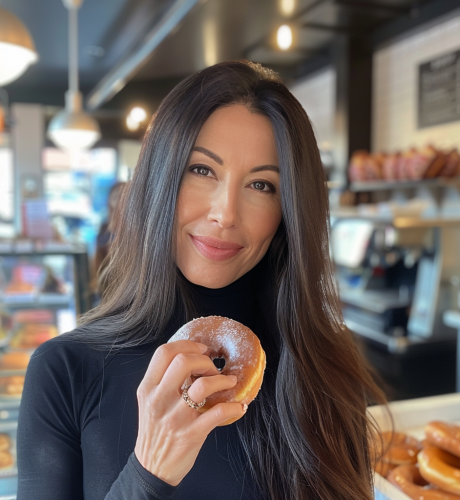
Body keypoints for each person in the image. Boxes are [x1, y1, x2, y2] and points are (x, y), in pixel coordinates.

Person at [17, 61, 386, 500]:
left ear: (287, 211)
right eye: (202, 170)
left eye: (262, 185)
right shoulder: (64, 370)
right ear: (160, 177)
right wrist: (148, 473)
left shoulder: (322, 365)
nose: (225, 213)